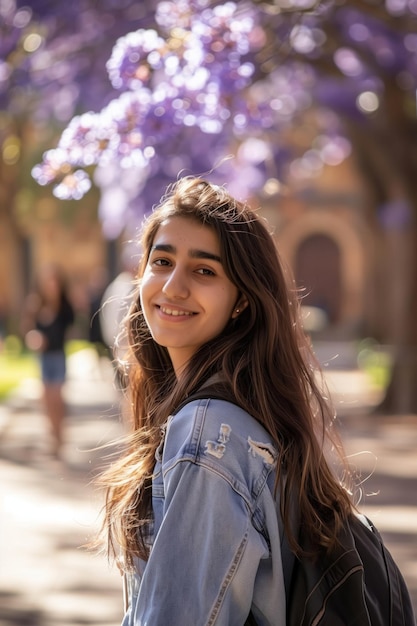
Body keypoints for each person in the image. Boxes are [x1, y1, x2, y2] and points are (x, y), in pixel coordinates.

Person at [96, 176, 357, 625]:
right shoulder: (232, 417)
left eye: (204, 271)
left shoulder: (206, 435)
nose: (173, 287)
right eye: (162, 261)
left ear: (241, 301)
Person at [22, 264, 75, 458]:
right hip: (43, 358)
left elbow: (71, 325)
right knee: (46, 398)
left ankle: (60, 435)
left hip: (58, 356)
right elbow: (28, 330)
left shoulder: (64, 306)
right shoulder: (36, 304)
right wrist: (33, 337)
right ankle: (52, 435)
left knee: (57, 398)